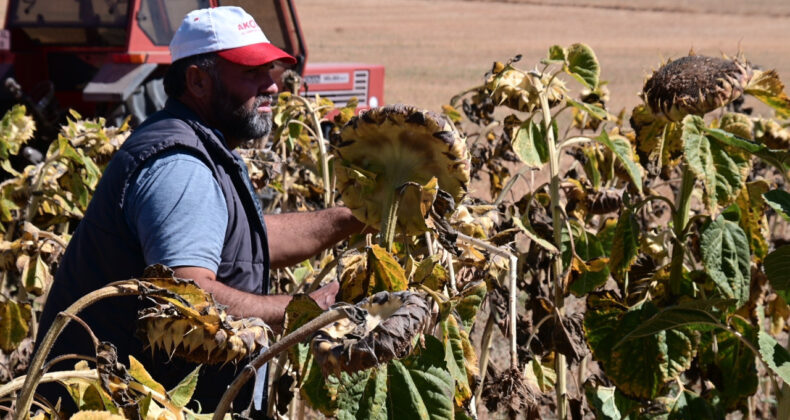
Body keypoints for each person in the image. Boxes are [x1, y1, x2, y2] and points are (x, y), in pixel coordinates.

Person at [35, 6, 364, 413]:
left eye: (270, 71)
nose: (272, 86)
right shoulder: (181, 167)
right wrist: (308, 311)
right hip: (135, 405)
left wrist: (351, 219)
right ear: (197, 80)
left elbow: (242, 242)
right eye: (251, 73)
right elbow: (188, 296)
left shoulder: (195, 140)